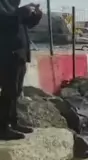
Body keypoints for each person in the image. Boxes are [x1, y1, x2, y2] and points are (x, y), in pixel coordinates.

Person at [0, 0, 43, 140]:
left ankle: (14, 122)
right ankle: (3, 128)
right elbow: (5, 20)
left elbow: (27, 24)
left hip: (19, 53)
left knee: (16, 91)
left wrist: (35, 14)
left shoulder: (13, 7)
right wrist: (21, 11)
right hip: (6, 54)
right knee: (9, 91)